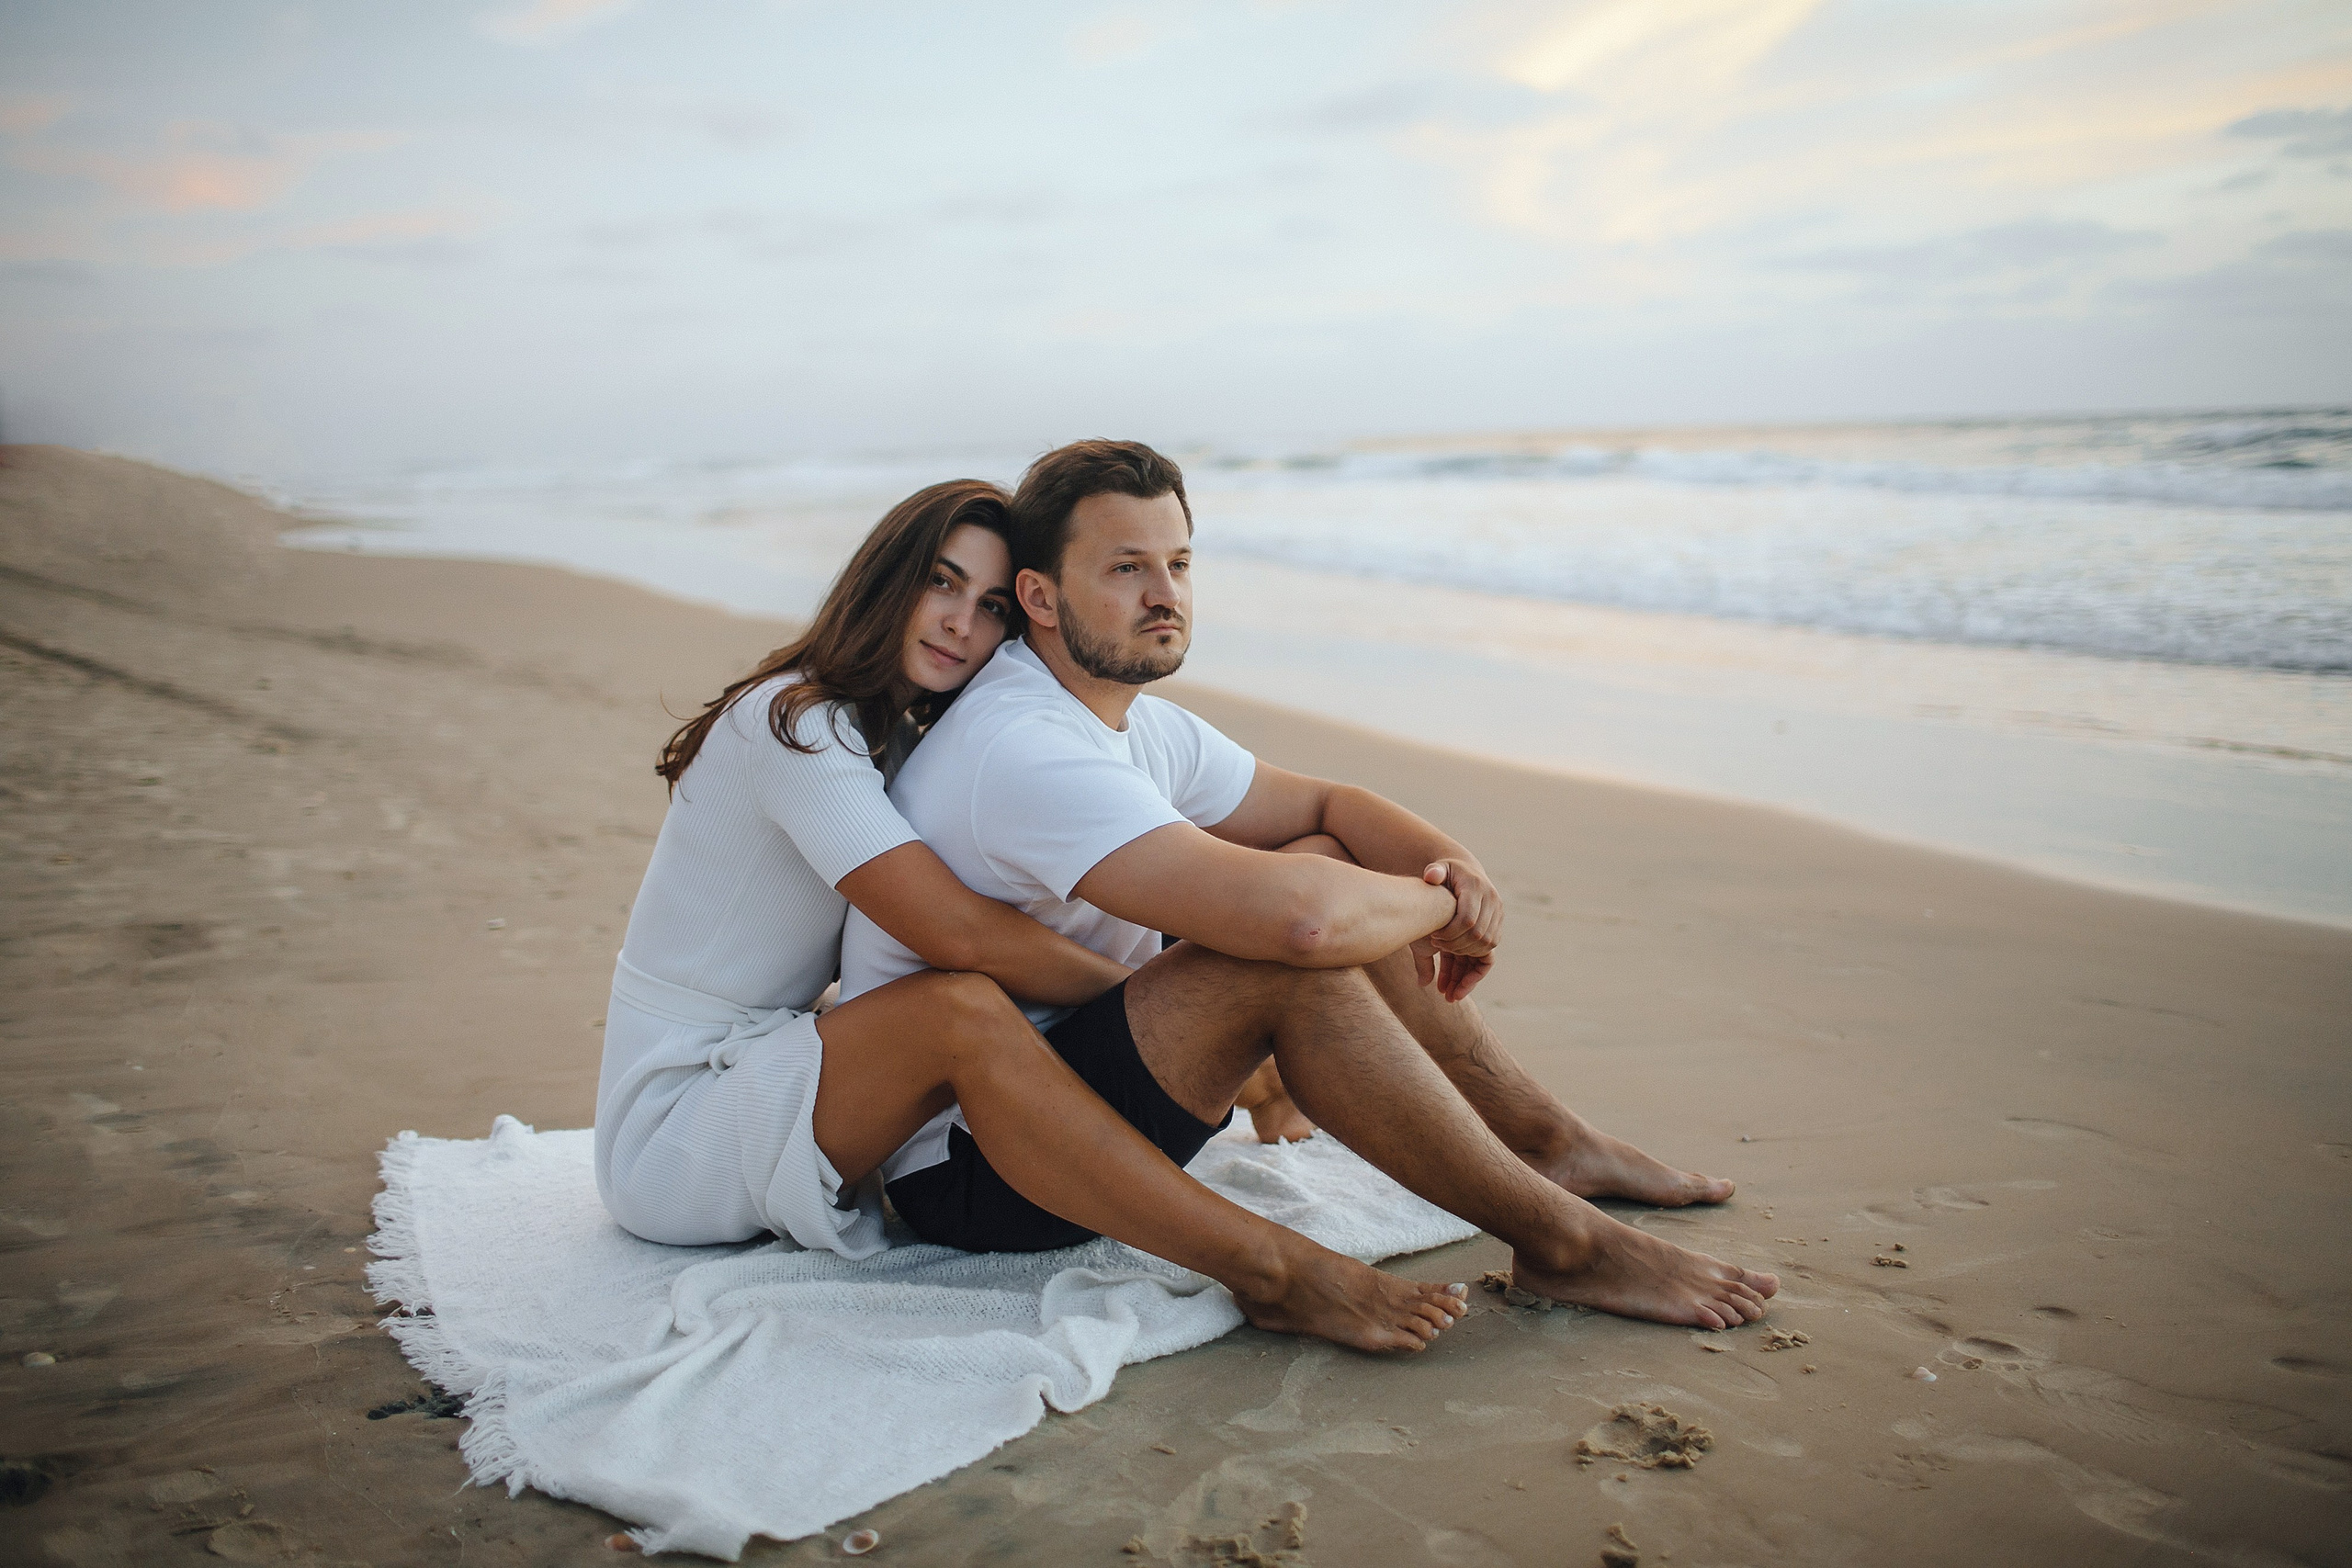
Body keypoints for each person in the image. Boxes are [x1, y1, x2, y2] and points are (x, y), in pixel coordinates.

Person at [840, 442, 1779, 1330]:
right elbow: (1297, 929)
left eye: (1179, 564)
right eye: (1127, 568)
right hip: (987, 1166)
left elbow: (1331, 803)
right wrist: (1443, 906)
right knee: (1290, 953)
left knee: (1328, 855)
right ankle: (1563, 1245)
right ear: (1040, 596)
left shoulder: (1127, 719)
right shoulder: (1022, 744)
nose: (1164, 594)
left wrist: (1459, 866)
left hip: (1080, 1076)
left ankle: (1544, 1142)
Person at [595, 478, 1470, 1353]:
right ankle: (1273, 1268)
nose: (957, 623)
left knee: (1189, 904)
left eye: (986, 605)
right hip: (675, 1121)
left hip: (776, 1046)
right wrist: (1148, 990)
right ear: (882, 582)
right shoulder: (795, 723)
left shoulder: (898, 729)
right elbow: (957, 932)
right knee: (960, 1008)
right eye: (939, 584)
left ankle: (1375, 1117)